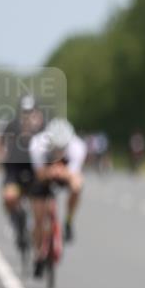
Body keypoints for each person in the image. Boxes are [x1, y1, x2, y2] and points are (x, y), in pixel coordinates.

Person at [28, 118, 86, 276]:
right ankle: (38, 254)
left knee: (77, 185)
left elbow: (74, 174)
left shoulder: (78, 146)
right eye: (56, 148)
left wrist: (61, 172)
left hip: (64, 174)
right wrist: (50, 172)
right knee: (39, 218)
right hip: (43, 176)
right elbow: (39, 174)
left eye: (63, 148)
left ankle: (68, 219)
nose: (60, 151)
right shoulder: (37, 145)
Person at [0, 96, 45, 251]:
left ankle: (42, 249)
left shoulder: (42, 127)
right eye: (25, 111)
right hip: (14, 169)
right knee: (9, 198)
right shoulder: (12, 125)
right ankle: (17, 221)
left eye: (31, 111)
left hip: (34, 170)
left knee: (42, 206)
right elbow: (0, 143)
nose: (28, 114)